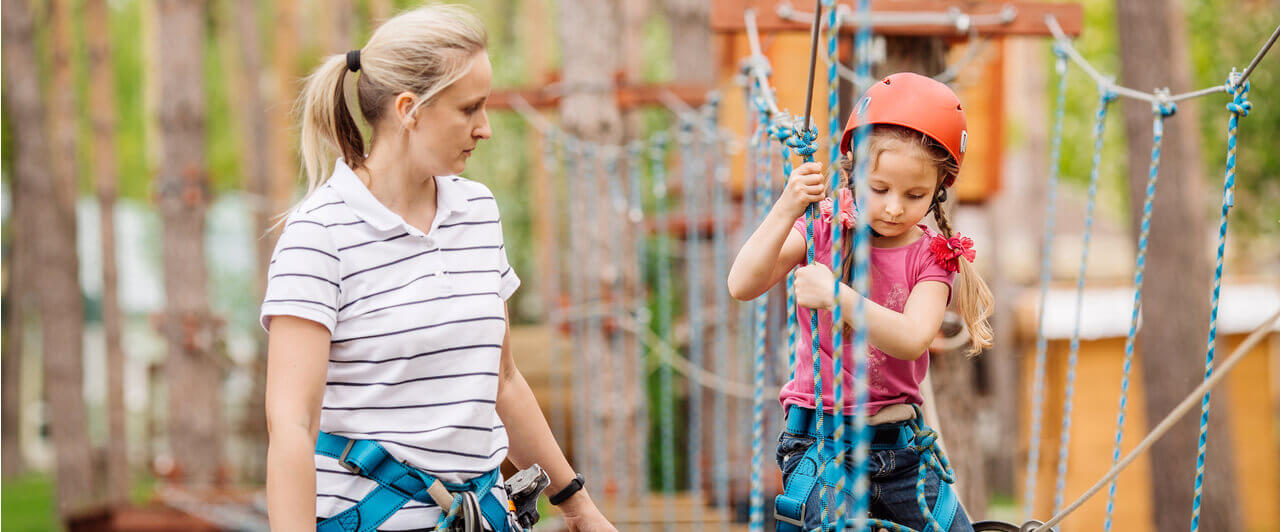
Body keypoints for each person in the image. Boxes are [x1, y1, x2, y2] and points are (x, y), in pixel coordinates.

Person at [261, 5, 615, 531]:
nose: (486, 128)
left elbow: (503, 379)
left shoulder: (477, 211)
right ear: (410, 110)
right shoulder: (319, 235)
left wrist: (580, 510)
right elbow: (292, 423)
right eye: (470, 108)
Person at [727, 72, 994, 531]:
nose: (893, 207)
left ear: (939, 189)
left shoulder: (932, 258)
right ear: (853, 172)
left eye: (914, 195)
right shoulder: (825, 231)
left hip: (902, 452)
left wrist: (838, 296)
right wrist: (786, 208)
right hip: (820, 445)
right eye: (879, 188)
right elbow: (742, 283)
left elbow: (912, 338)